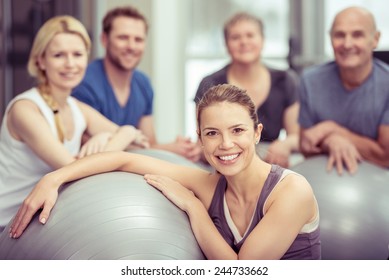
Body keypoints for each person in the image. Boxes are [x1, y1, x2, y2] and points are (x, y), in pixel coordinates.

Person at [9, 84, 321, 260]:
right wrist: (55, 178)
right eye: (212, 133)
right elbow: (123, 160)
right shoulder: (209, 183)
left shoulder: (291, 191)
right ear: (199, 139)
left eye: (237, 130)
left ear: (257, 133)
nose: (226, 144)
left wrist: (193, 208)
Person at [0, 15, 149, 232]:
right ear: (41, 60)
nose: (70, 64)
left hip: (39, 221)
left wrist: (106, 136)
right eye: (59, 55)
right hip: (7, 225)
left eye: (77, 55)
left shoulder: (77, 108)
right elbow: (74, 171)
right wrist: (124, 132)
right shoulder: (25, 109)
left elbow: (141, 144)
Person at [72, 6, 201, 162]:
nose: (131, 46)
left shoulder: (143, 83)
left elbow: (149, 142)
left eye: (138, 39)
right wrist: (169, 149)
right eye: (123, 38)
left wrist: (180, 149)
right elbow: (92, 148)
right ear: (104, 40)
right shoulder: (83, 82)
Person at [195, 12, 300, 168]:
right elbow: (203, 141)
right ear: (226, 44)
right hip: (225, 165)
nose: (244, 42)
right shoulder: (209, 83)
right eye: (235, 37)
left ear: (262, 40)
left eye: (250, 35)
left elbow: (296, 136)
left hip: (269, 163)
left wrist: (285, 145)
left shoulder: (285, 80)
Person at [298, 6, 389, 175]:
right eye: (340, 35)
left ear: (375, 39)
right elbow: (306, 145)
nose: (347, 44)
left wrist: (331, 129)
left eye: (357, 35)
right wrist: (331, 140)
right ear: (330, 39)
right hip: (323, 187)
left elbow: (385, 156)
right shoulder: (310, 81)